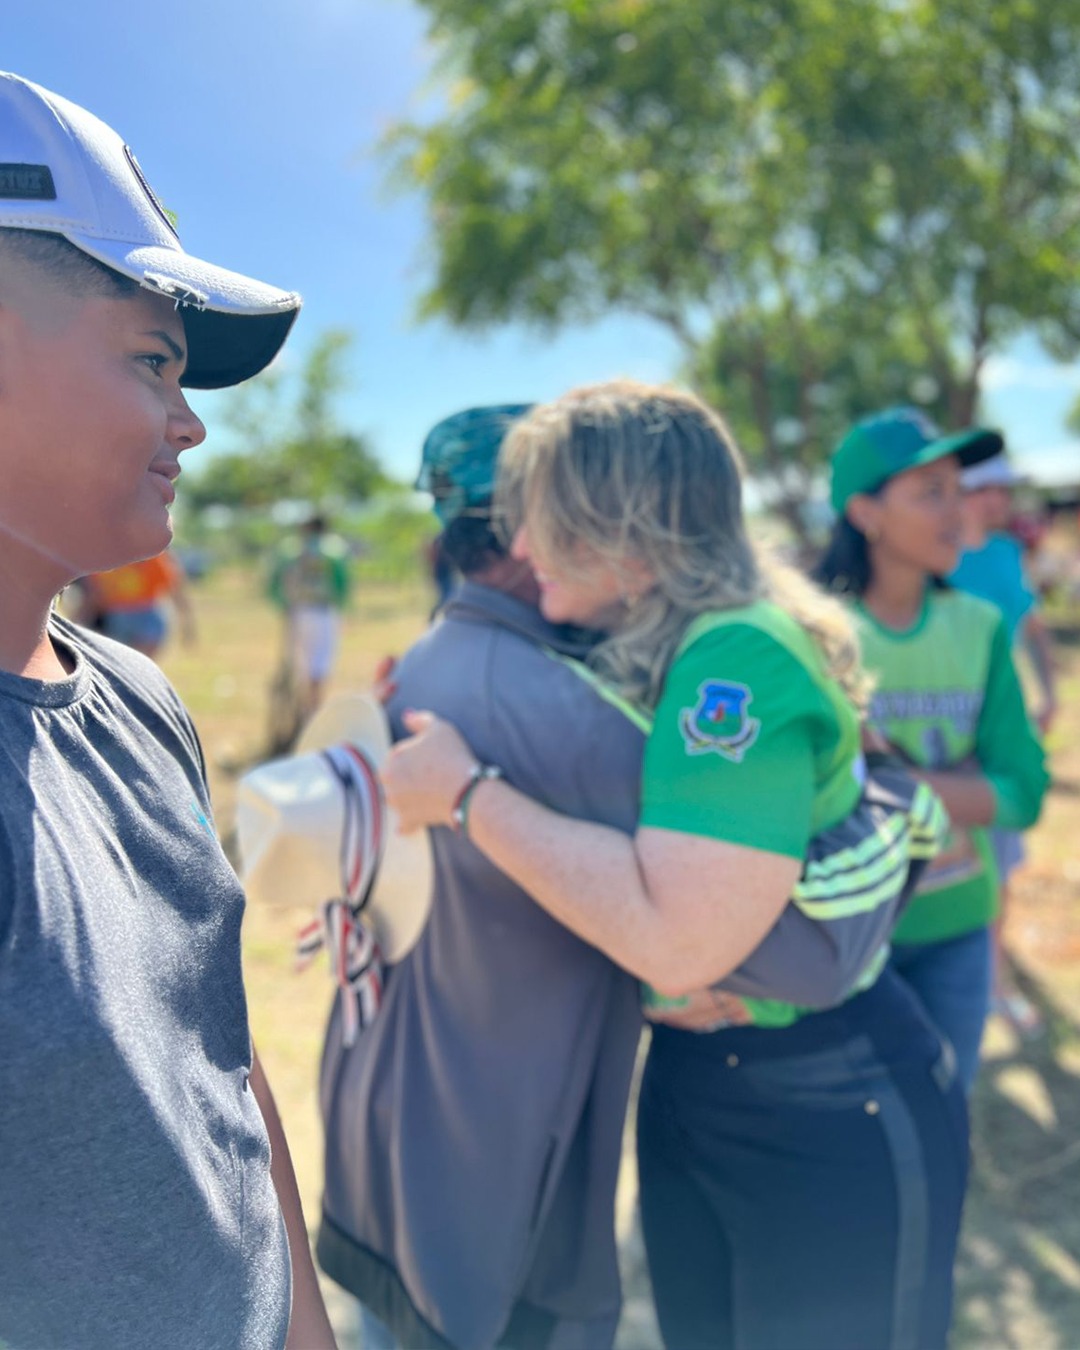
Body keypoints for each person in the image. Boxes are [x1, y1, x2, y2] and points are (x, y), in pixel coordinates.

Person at [382, 382, 968, 1350]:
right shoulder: (651, 642)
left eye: (542, 517)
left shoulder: (733, 656)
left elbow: (679, 940)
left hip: (825, 1099)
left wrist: (467, 793)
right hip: (707, 1085)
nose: (519, 549)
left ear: (628, 525)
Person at [0, 72, 334, 1349]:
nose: (192, 424)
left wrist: (304, 1322)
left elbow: (220, 1060)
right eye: (152, 359)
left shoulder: (137, 699)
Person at [818, 408, 1050, 1091]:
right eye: (930, 492)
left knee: (946, 1111)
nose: (958, 510)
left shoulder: (978, 628)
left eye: (959, 487)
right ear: (864, 513)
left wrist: (887, 773)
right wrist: (961, 786)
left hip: (960, 928)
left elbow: (1025, 792)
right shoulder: (816, 639)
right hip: (848, 941)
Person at [951, 452, 1057, 1033]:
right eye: (986, 488)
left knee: (998, 859)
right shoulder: (933, 559)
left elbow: (1033, 625)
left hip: (998, 737)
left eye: (1003, 490)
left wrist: (1050, 691)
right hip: (944, 742)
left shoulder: (1004, 555)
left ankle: (994, 980)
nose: (998, 500)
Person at [268, 512, 353, 721]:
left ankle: (302, 711)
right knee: (320, 663)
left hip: (297, 613)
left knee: (299, 663)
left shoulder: (290, 550)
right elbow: (343, 585)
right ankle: (312, 712)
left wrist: (284, 606)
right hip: (323, 613)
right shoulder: (334, 551)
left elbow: (273, 583)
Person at [76, 547, 197, 658]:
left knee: (139, 665)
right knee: (122, 663)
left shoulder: (155, 558)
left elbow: (175, 591)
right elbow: (93, 597)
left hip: (146, 617)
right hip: (116, 620)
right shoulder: (104, 560)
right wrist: (77, 624)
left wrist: (187, 624)